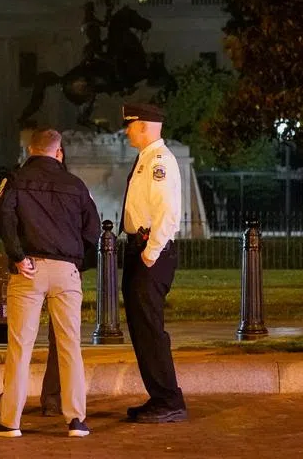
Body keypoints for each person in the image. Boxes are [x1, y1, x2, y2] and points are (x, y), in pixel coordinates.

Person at [0, 128, 100, 439]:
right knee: (70, 347)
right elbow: (92, 231)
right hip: (66, 271)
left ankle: (10, 420)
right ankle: (76, 420)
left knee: (20, 348)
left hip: (29, 270)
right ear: (58, 152)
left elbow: (4, 217)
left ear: (30, 150)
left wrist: (17, 256)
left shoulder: (15, 180)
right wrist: (76, 263)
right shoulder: (76, 185)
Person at [120, 102, 189, 423]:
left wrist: (150, 254)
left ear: (144, 125)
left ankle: (169, 400)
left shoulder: (159, 161)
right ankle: (161, 397)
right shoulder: (147, 159)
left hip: (151, 254)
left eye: (130, 125)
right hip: (140, 251)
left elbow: (167, 213)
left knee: (150, 330)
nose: (126, 130)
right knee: (142, 330)